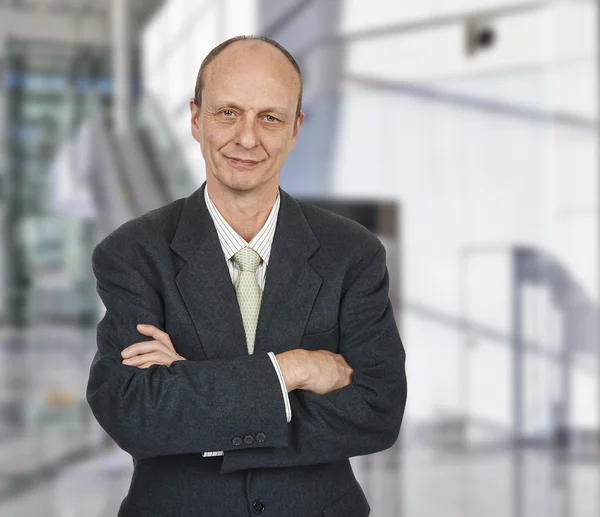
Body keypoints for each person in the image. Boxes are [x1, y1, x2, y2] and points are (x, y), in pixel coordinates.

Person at [87, 35, 407, 517]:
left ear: (295, 129)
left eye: (270, 118)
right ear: (196, 119)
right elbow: (135, 413)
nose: (247, 138)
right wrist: (293, 370)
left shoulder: (352, 254)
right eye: (228, 113)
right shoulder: (133, 254)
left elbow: (378, 410)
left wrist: (191, 385)